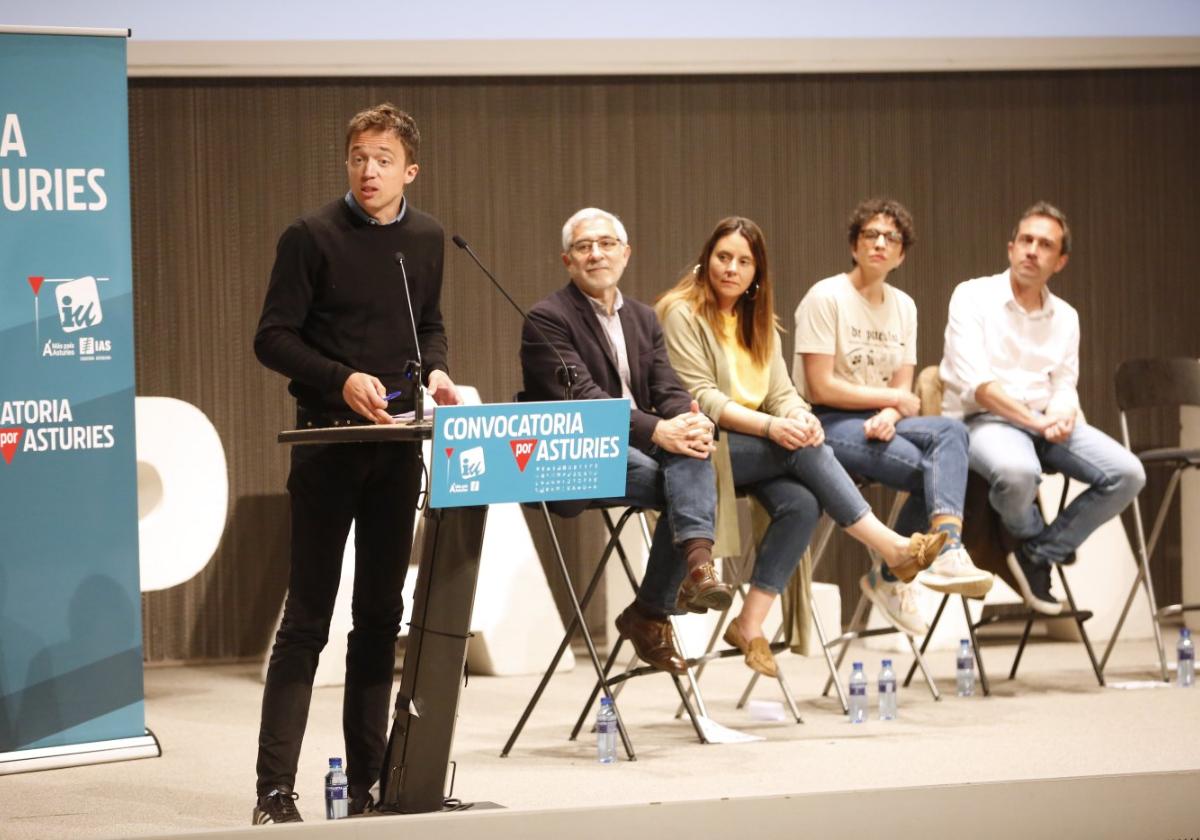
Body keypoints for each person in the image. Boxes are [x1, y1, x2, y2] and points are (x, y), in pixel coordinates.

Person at [251, 103, 461, 824]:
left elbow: (428, 327)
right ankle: (274, 792)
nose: (368, 171)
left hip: (398, 450)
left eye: (381, 159)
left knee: (379, 617)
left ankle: (371, 785)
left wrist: (434, 373)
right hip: (327, 445)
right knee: (307, 618)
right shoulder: (309, 237)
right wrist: (340, 377)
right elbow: (272, 338)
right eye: (357, 158)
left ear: (409, 170)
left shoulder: (428, 239)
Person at [656, 216, 947, 675]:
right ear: (706, 259)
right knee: (806, 449)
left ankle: (750, 624)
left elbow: (782, 394)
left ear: (757, 272)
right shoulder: (680, 311)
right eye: (723, 257)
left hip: (756, 443)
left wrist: (797, 416)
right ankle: (891, 549)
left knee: (803, 502)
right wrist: (777, 429)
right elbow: (703, 399)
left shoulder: (757, 321)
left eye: (744, 261)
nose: (731, 268)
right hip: (706, 449)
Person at [520, 207, 731, 677]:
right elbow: (584, 399)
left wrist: (691, 422)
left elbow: (668, 388)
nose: (596, 254)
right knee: (680, 478)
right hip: (575, 457)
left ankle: (672, 593)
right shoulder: (546, 319)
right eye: (583, 246)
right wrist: (662, 430)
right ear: (567, 260)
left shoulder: (642, 317)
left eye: (607, 244)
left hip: (643, 443)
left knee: (693, 450)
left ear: (626, 253)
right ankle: (667, 598)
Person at [793, 198, 993, 636]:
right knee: (935, 473)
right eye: (871, 235)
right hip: (825, 423)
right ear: (854, 245)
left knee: (952, 433)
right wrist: (890, 401)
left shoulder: (904, 306)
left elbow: (902, 389)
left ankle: (944, 548)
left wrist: (888, 410)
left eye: (891, 238)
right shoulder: (826, 297)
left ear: (901, 254)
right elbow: (819, 385)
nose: (881, 243)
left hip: (883, 420)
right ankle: (892, 573)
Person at [940, 201, 1145, 614]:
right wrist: (1038, 421)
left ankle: (1038, 552)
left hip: (1045, 423)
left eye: (1045, 245)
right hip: (983, 421)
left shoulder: (1065, 316)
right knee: (1019, 472)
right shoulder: (972, 296)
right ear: (1010, 247)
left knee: (1127, 474)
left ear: (1060, 261)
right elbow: (980, 387)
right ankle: (1027, 536)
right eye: (1026, 240)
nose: (1033, 250)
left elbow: (1064, 383)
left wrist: (1065, 411)